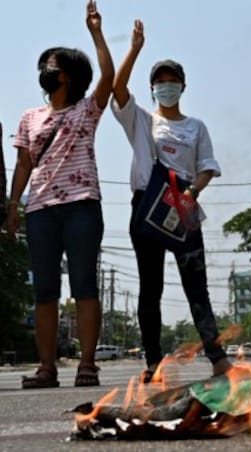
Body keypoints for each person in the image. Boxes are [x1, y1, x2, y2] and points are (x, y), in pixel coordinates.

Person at [111, 20, 232, 382]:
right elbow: (117, 88)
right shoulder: (141, 121)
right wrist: (133, 49)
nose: (167, 86)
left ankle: (217, 357)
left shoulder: (196, 127)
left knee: (196, 286)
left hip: (184, 207)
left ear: (182, 86)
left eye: (172, 80)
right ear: (152, 88)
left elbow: (208, 167)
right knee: (151, 288)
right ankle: (154, 362)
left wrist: (192, 193)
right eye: (160, 81)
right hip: (147, 208)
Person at [5, 0, 113, 389]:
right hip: (40, 210)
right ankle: (46, 368)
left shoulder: (87, 110)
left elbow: (109, 74)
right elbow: (23, 164)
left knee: (84, 283)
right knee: (45, 289)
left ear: (67, 75)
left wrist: (96, 33)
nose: (44, 72)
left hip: (82, 204)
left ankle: (87, 365)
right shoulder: (29, 117)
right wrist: (13, 205)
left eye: (50, 66)